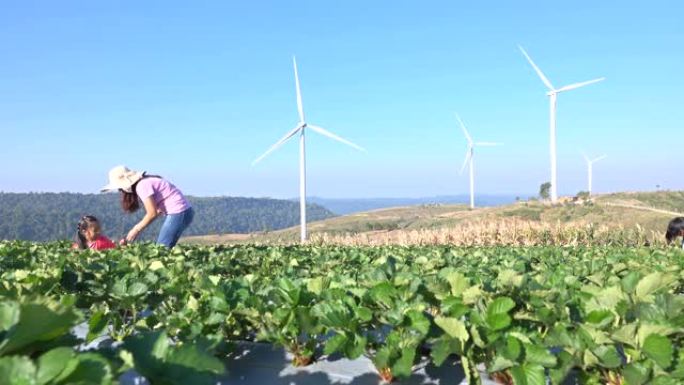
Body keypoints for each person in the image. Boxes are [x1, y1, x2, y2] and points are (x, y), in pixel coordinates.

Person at [101, 165, 194, 248]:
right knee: (165, 246)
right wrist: (133, 233)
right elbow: (156, 212)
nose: (120, 190)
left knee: (162, 248)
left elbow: (152, 213)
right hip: (184, 212)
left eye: (120, 188)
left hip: (179, 212)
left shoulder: (142, 186)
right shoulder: (145, 182)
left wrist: (136, 230)